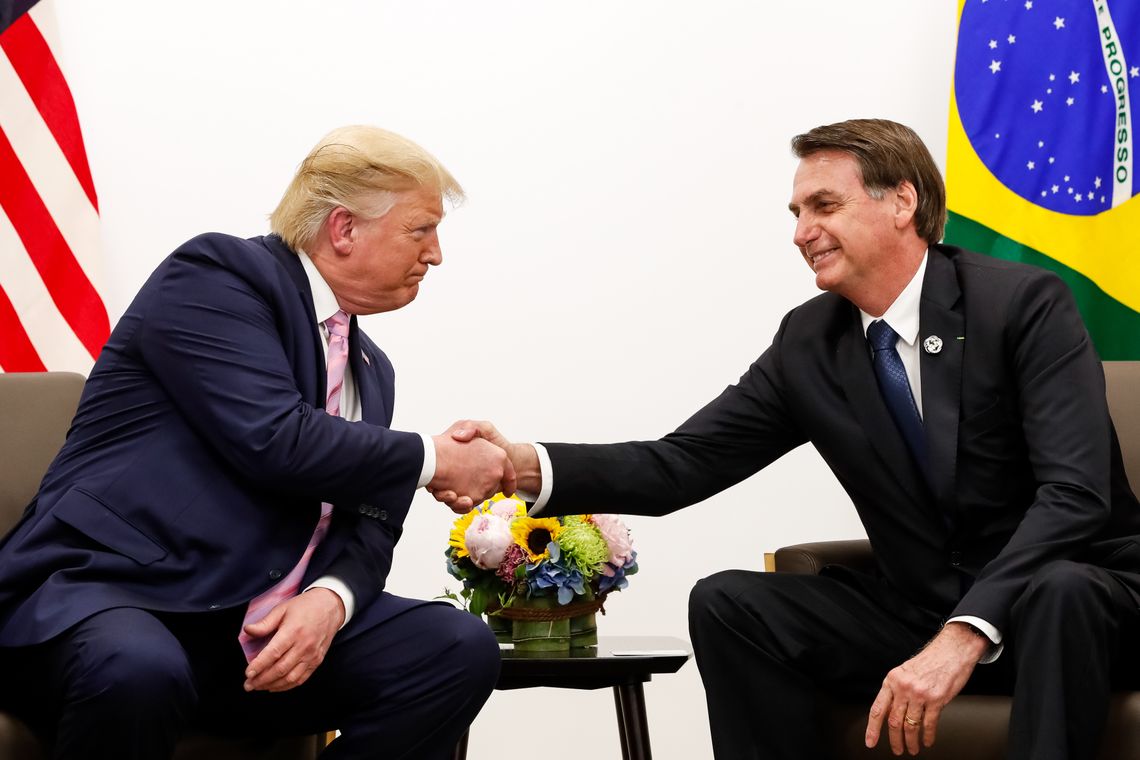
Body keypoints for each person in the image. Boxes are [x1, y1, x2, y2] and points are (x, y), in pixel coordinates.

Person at [439, 119, 1140, 759]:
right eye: (797, 213)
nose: (802, 232)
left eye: (823, 206)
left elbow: (1074, 496)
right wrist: (519, 467)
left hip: (1075, 602)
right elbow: (683, 464)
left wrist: (968, 629)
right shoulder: (810, 341)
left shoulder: (1021, 304)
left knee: (1060, 591)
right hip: (921, 611)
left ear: (902, 202)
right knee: (731, 604)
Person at [0, 125, 516, 759]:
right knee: (140, 667)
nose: (435, 254)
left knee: (454, 648)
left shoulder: (371, 369)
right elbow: (276, 438)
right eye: (421, 229)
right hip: (116, 598)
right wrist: (436, 459)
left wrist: (330, 599)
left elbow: (372, 520)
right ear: (344, 228)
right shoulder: (217, 278)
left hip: (248, 636)